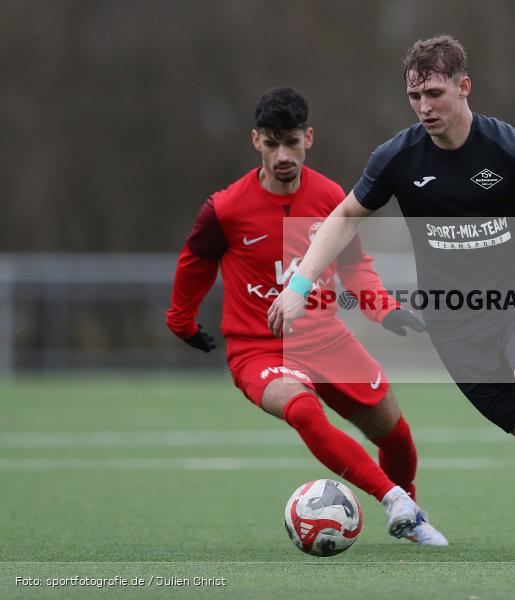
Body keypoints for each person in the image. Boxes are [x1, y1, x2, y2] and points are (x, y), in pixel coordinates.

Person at [268, 37, 515, 559]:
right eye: (414, 96)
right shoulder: (397, 157)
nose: (424, 108)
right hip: (454, 328)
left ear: (464, 87)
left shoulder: (512, 147)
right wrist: (301, 284)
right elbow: (345, 216)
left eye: (435, 93)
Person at [166, 87, 447, 546]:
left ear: (308, 138)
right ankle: (393, 499)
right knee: (302, 410)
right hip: (259, 348)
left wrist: (384, 310)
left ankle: (409, 512)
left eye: (291, 141)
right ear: (255, 140)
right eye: (272, 142)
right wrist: (181, 320)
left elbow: (355, 265)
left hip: (326, 339)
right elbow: (193, 263)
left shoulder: (331, 197)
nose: (282, 154)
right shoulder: (226, 208)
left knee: (395, 434)